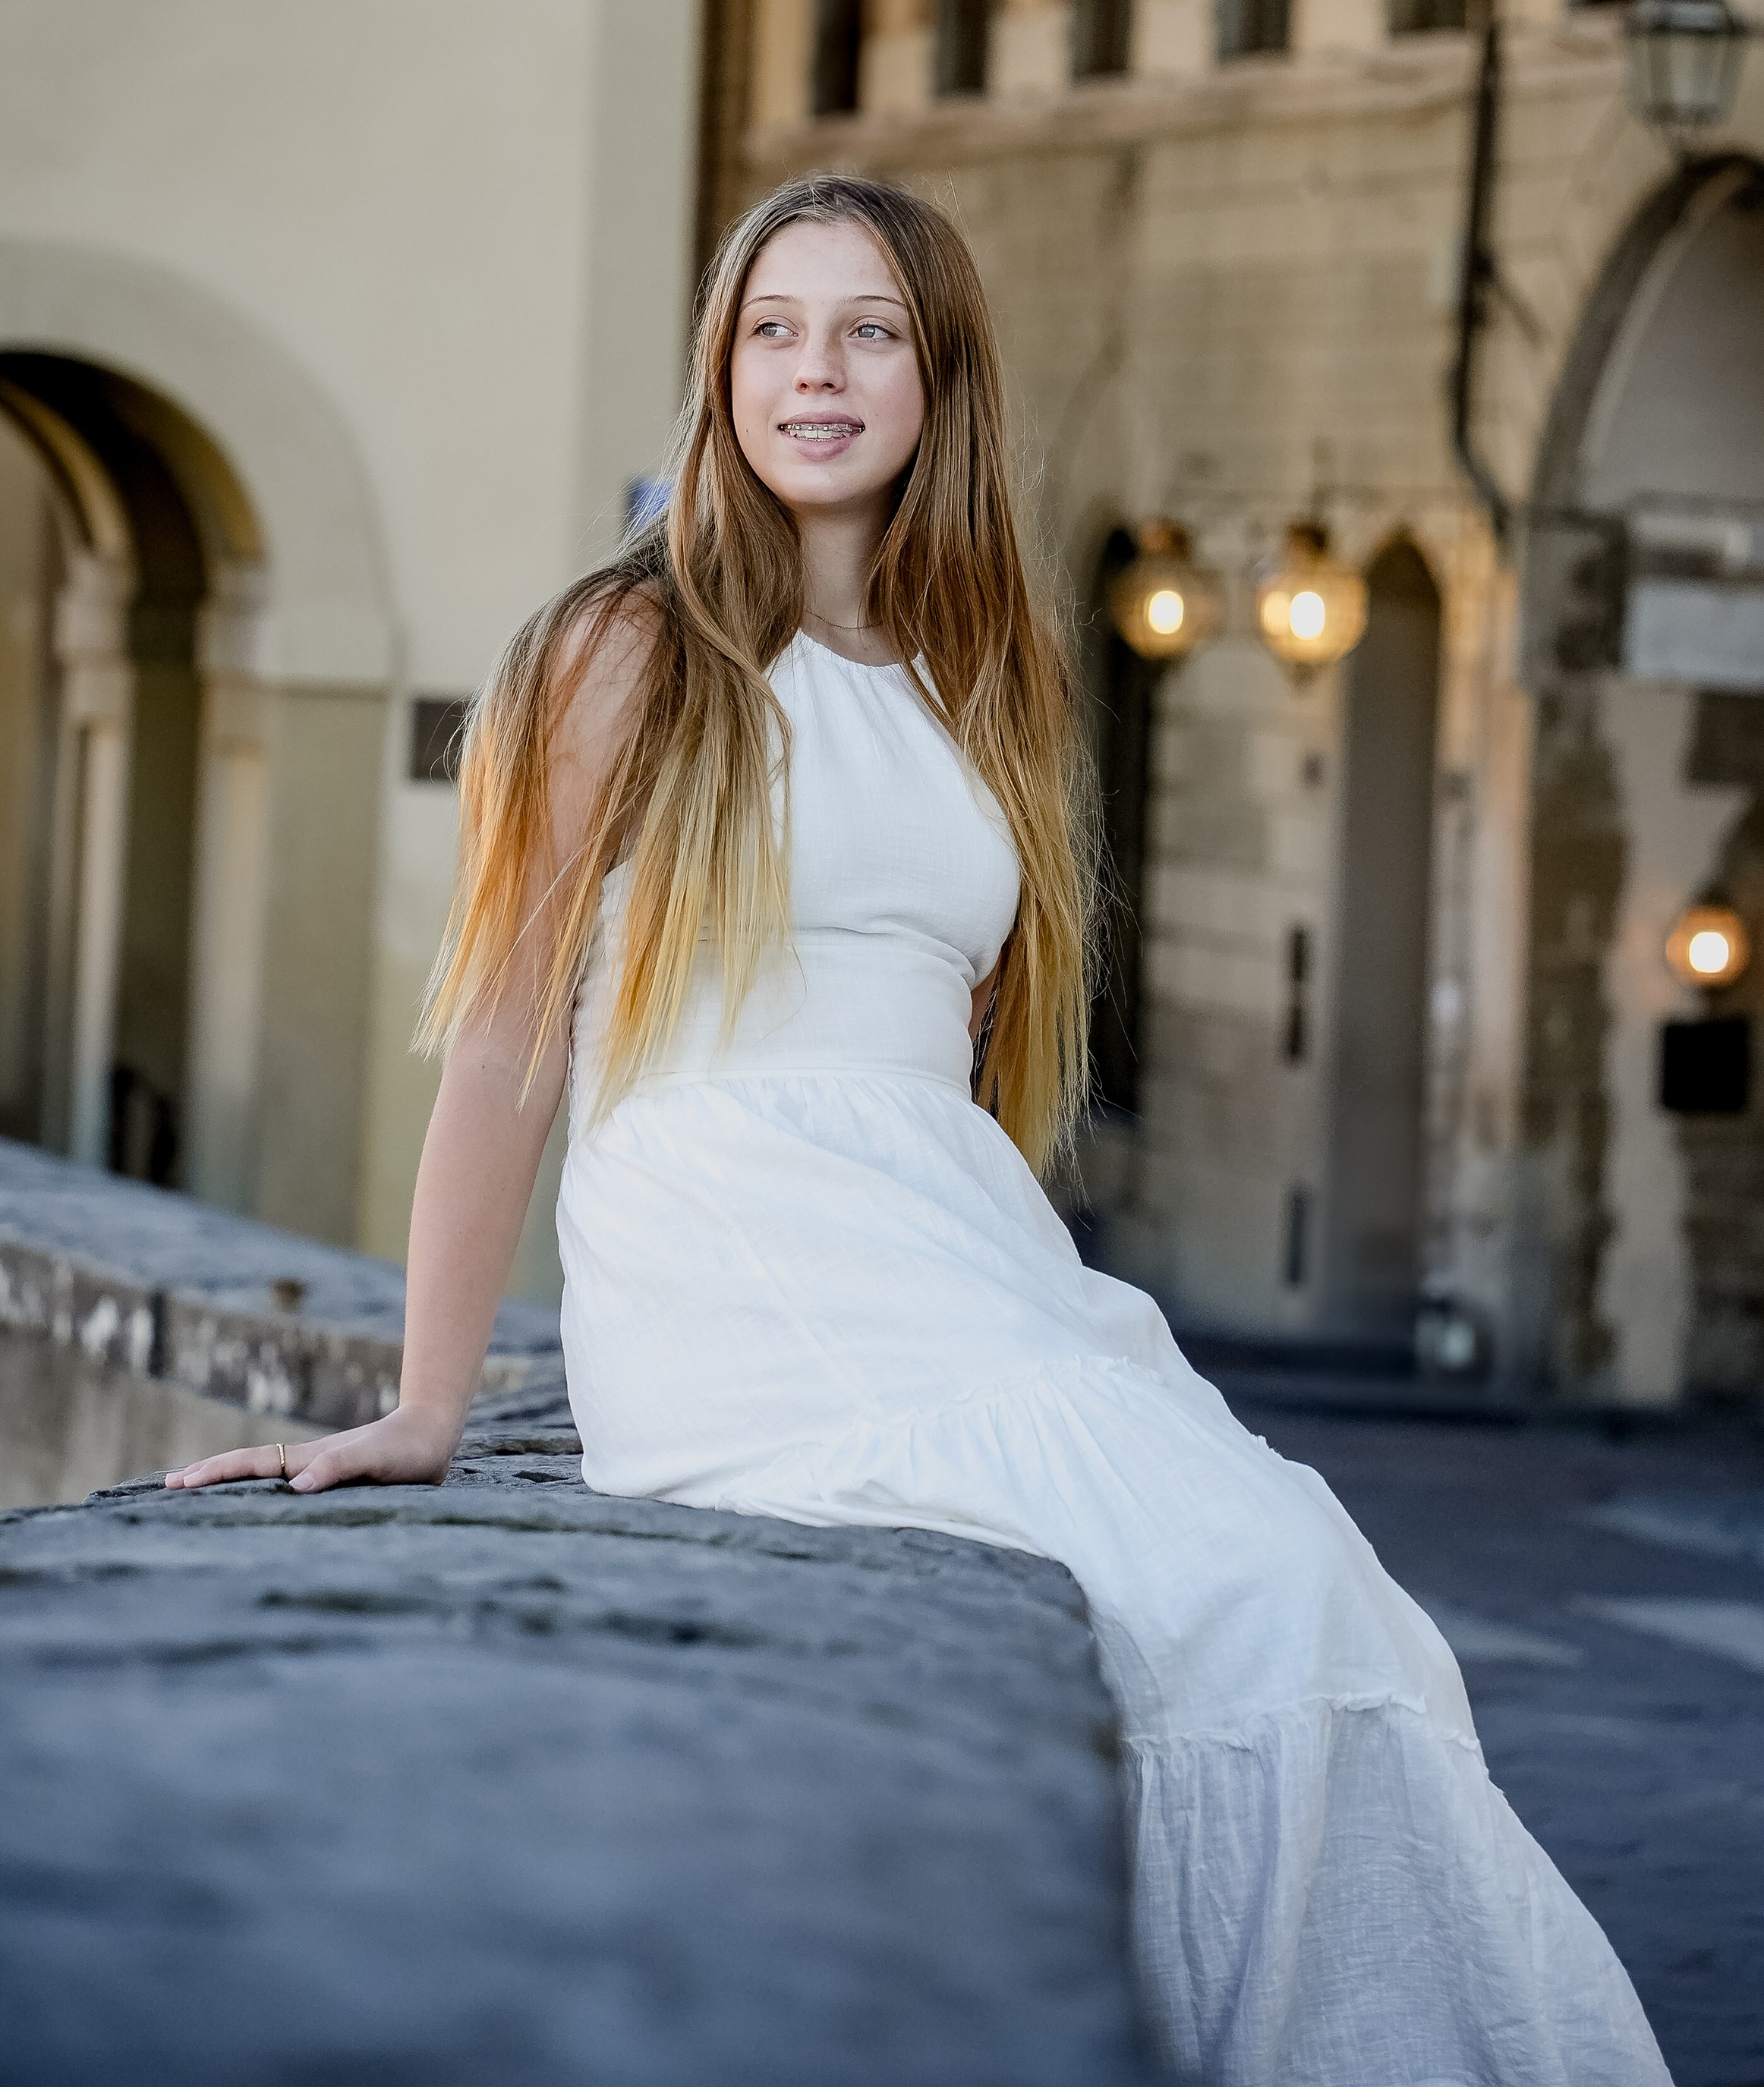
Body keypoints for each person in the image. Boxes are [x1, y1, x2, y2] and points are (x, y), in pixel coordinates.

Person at [171, 175, 1671, 2086]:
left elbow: (947, 1057)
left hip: (947, 1234)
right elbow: (505, 1043)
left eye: (867, 331)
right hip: (736, 1243)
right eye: (772, 333)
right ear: (720, 374)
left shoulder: (980, 674)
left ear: (938, 375)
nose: (815, 374)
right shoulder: (627, 649)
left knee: (1313, 1589)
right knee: (1231, 1588)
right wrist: (427, 1402)